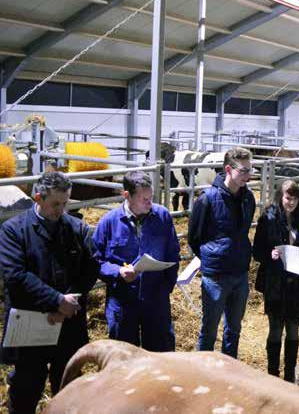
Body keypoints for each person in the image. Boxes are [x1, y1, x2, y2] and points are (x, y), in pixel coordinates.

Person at [0, 172, 100, 414]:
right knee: (26, 388)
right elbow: (16, 275)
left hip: (68, 322)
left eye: (65, 203)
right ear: (38, 198)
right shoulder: (13, 230)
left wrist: (69, 302)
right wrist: (56, 301)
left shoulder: (76, 228)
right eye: (56, 204)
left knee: (68, 389)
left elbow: (90, 267)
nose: (61, 209)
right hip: (31, 322)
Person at [93, 171, 180, 352]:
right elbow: (96, 260)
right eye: (144, 199)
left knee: (160, 354)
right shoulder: (109, 222)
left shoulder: (162, 216)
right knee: (124, 355)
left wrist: (166, 287)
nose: (150, 203)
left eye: (151, 198)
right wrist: (117, 272)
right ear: (127, 196)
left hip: (156, 299)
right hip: (123, 301)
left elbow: (173, 253)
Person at [188, 147, 256, 359]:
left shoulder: (248, 198)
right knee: (209, 330)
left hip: (240, 275)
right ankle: (204, 373)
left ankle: (229, 371)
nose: (248, 175)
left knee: (233, 330)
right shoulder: (206, 199)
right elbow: (194, 238)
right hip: (215, 276)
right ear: (228, 168)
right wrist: (212, 258)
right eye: (243, 170)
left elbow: (245, 230)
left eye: (249, 170)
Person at [253, 180, 299, 384]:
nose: (291, 202)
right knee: (275, 327)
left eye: (295, 198)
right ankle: (273, 374)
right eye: (288, 198)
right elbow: (257, 251)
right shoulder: (268, 218)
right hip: (276, 280)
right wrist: (269, 254)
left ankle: (290, 375)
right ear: (280, 198)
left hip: (298, 281)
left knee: (293, 327)